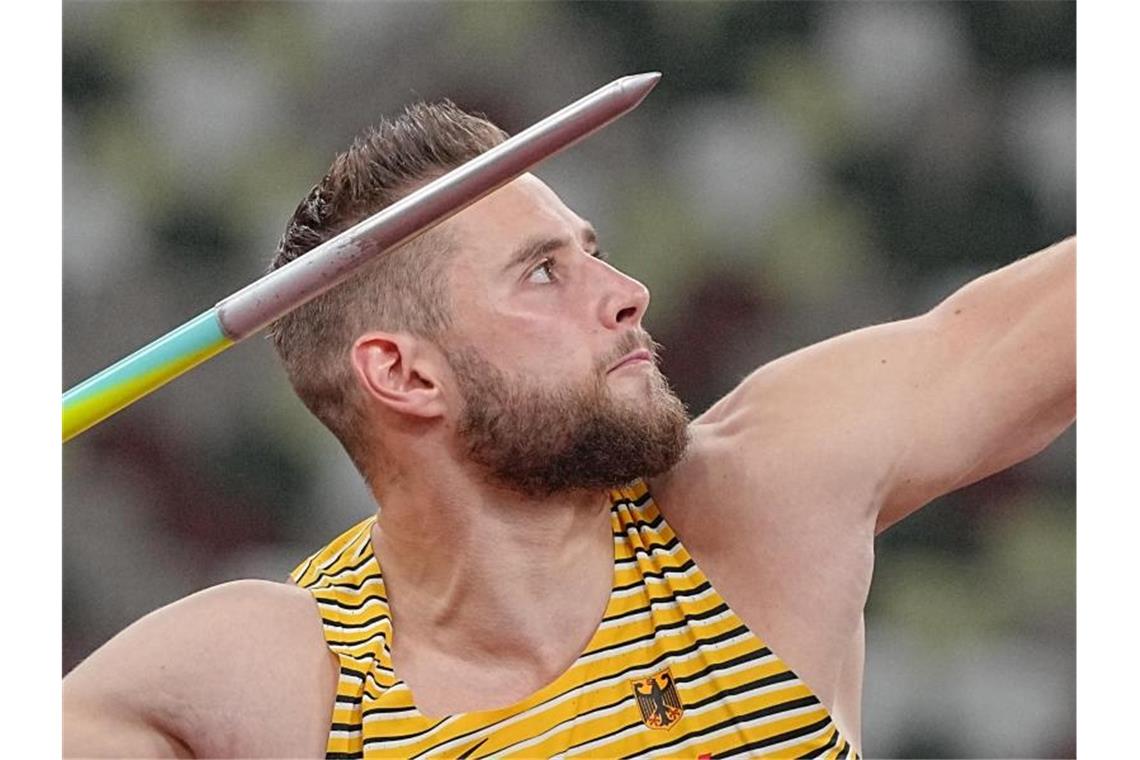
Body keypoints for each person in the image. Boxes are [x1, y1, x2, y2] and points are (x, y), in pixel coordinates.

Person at [62, 101, 1075, 759]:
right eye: (545, 272)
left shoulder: (752, 508)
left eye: (594, 254)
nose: (629, 294)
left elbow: (1028, 330)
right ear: (404, 373)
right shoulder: (285, 680)